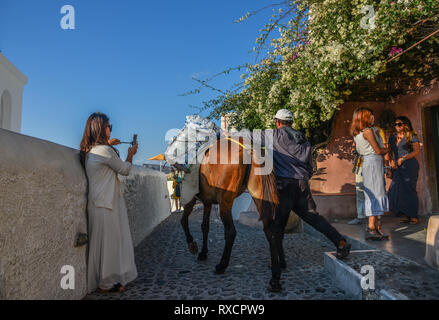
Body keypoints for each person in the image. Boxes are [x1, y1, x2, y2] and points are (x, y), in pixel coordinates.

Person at [80, 112, 138, 294]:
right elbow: (124, 170)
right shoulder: (104, 151)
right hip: (107, 203)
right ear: (100, 129)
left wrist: (109, 144)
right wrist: (130, 154)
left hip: (98, 202)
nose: (110, 129)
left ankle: (108, 281)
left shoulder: (91, 150)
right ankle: (107, 283)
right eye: (108, 126)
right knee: (111, 245)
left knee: (104, 245)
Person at [351, 107, 390, 240]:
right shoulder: (368, 131)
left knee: (376, 193)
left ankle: (376, 227)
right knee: (376, 193)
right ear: (365, 117)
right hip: (373, 161)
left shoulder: (358, 132)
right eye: (371, 115)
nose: (373, 117)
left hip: (369, 162)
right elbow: (378, 150)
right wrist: (389, 148)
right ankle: (372, 227)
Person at [349, 126, 387, 225]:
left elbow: (381, 148)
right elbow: (356, 146)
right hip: (361, 165)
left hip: (373, 164)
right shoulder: (358, 132)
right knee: (360, 191)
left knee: (376, 191)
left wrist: (386, 165)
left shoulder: (377, 131)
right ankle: (361, 216)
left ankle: (376, 218)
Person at [387, 116, 421, 224]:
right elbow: (390, 151)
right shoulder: (392, 137)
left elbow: (416, 151)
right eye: (395, 124)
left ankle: (413, 215)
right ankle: (405, 214)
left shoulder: (411, 136)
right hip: (397, 167)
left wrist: (403, 158)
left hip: (410, 165)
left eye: (399, 124)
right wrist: (391, 162)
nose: (397, 126)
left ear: (405, 124)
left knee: (409, 190)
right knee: (396, 190)